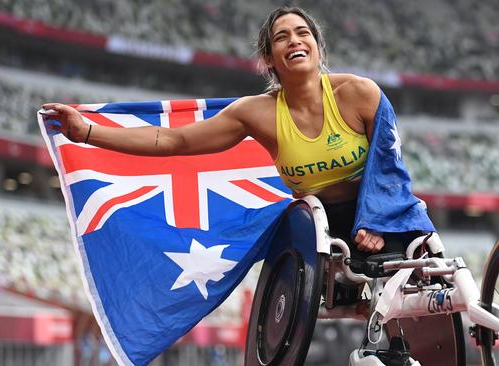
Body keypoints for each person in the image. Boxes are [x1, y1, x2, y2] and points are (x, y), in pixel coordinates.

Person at [42, 6, 413, 264]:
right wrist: (87, 131)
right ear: (269, 58)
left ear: (317, 47)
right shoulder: (257, 113)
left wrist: (375, 223)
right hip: (320, 227)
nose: (295, 41)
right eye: (282, 37)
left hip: (382, 213)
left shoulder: (359, 93)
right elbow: (174, 141)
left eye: (303, 33)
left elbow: (390, 169)